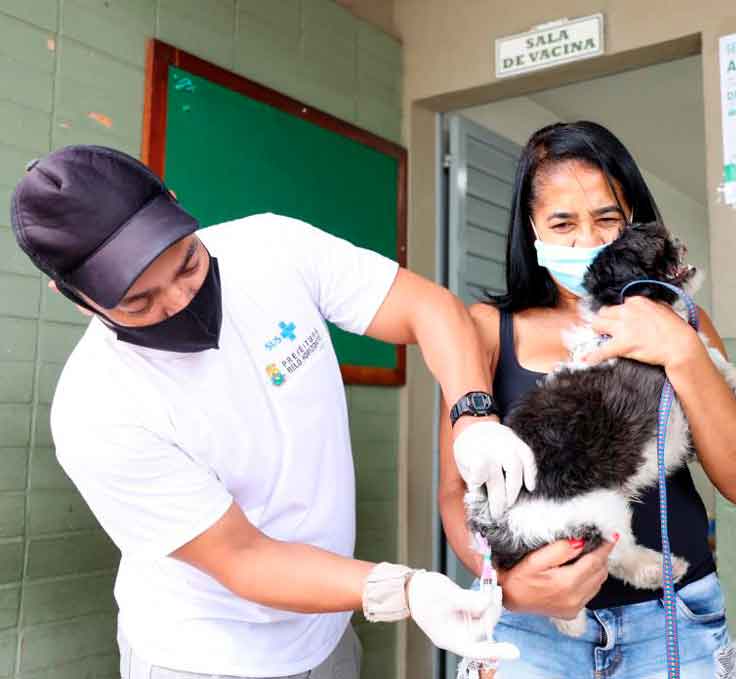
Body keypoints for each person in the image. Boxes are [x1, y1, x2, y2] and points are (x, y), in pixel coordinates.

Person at [9, 145, 532, 679]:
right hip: (202, 656)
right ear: (73, 295)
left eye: (187, 261)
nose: (182, 300)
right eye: (139, 301)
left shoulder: (270, 246)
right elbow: (242, 557)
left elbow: (429, 308)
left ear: (173, 203)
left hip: (326, 631)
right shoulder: (96, 410)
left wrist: (474, 418)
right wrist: (405, 590)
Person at [438, 122, 736, 678]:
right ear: (531, 229)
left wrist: (682, 351)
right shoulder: (487, 330)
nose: (586, 240)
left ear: (634, 220)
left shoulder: (681, 317)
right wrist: (508, 583)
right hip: (530, 631)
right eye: (562, 223)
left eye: (607, 218)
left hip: (674, 619)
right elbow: (455, 496)